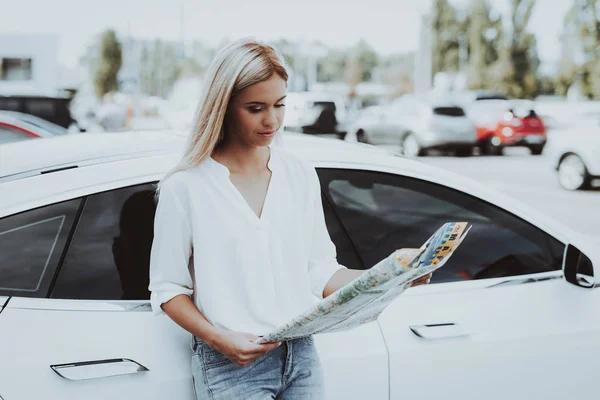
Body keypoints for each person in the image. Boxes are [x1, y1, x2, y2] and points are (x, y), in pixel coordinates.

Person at [148, 38, 432, 400]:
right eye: (255, 108)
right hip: (231, 366)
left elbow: (321, 272)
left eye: (280, 105)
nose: (272, 120)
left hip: (301, 357)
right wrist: (220, 339)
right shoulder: (185, 187)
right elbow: (168, 290)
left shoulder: (298, 173)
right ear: (223, 106)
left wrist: (395, 275)